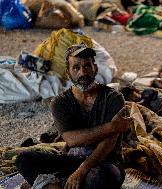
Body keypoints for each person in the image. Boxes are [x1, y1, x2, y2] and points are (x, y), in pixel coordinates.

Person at [16, 43, 132, 189]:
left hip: (105, 161)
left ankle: (55, 184)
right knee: (23, 159)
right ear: (68, 72)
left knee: (99, 177)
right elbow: (72, 140)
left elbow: (108, 144)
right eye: (76, 67)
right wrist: (112, 127)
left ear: (95, 68)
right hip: (71, 160)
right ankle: (58, 185)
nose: (82, 72)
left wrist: (81, 171)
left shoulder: (113, 98)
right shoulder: (59, 102)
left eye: (87, 66)